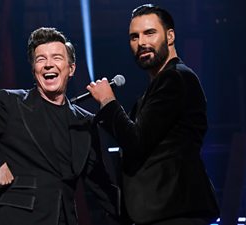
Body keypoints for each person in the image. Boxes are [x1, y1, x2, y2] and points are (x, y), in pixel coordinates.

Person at [0, 27, 119, 225]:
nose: (48, 65)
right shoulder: (12, 103)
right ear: (34, 69)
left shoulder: (85, 121)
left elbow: (102, 187)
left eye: (57, 57)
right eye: (40, 59)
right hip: (18, 218)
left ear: (71, 69)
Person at [86, 4, 220, 225]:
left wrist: (108, 101)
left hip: (174, 211)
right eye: (134, 37)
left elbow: (136, 141)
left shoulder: (175, 79)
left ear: (170, 36)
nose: (142, 43)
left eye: (149, 33)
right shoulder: (156, 87)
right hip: (160, 211)